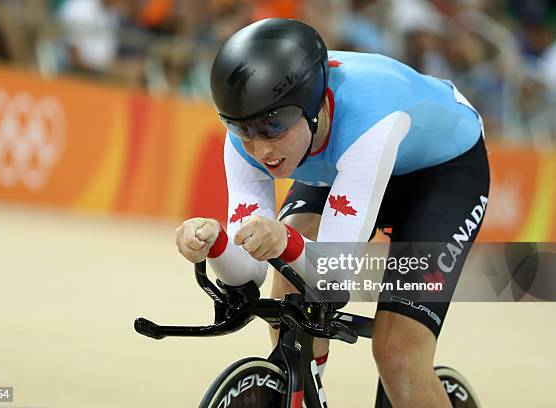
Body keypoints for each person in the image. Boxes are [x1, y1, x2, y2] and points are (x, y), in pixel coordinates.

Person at [175, 18, 489, 407]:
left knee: (398, 355)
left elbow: (334, 272)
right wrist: (216, 242)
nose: (260, 149)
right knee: (288, 281)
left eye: (273, 126)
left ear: (314, 107)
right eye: (243, 129)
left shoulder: (370, 118)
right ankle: (304, 389)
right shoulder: (252, 129)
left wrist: (284, 241)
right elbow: (250, 271)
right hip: (338, 160)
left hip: (442, 173)